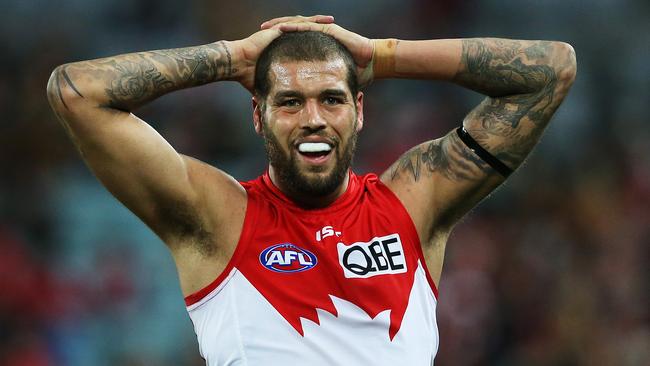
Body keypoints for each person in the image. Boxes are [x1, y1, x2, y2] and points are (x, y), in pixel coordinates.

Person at [46, 14, 576, 365]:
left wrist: (383, 56)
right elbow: (76, 92)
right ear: (258, 115)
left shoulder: (414, 201)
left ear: (359, 110)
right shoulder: (219, 217)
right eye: (290, 102)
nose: (314, 119)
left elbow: (552, 69)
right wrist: (231, 58)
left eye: (332, 98)